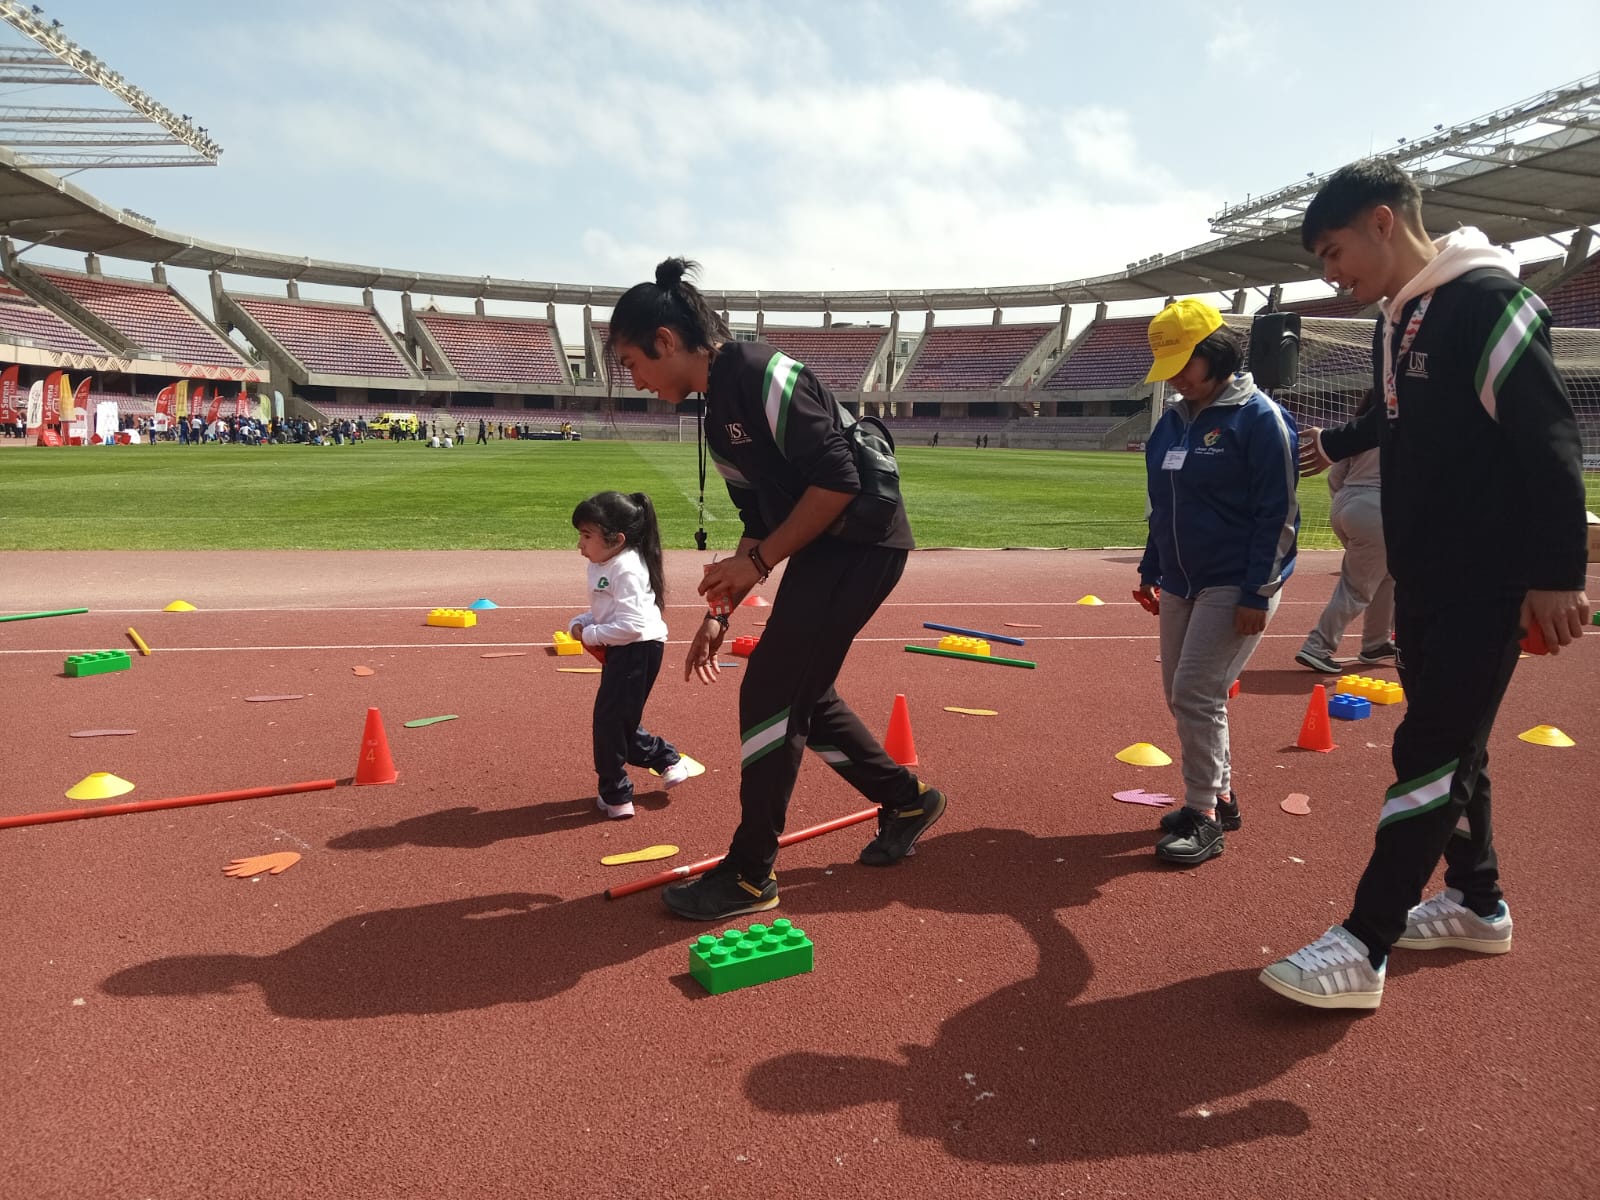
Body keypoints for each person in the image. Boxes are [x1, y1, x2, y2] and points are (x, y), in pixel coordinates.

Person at [1263, 160, 1591, 1011]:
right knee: (1455, 747)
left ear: (1382, 221)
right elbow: (1403, 413)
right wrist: (1338, 442)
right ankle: (1478, 902)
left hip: (1488, 576)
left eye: (1334, 252)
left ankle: (1365, 940)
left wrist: (1558, 575)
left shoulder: (1489, 305)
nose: (1331, 275)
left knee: (1430, 750)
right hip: (1428, 575)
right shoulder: (1400, 319)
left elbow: (1551, 442)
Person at [606, 258, 946, 922]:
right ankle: (906, 799)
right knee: (800, 696)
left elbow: (839, 483)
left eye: (631, 362)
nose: (635, 380)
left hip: (863, 547)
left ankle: (749, 873)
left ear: (666, 342)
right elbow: (758, 522)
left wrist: (757, 564)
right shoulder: (716, 414)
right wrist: (719, 609)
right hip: (828, 549)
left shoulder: (765, 375)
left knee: (771, 693)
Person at [1136, 298, 1300, 866]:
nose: (1179, 380)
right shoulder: (1172, 422)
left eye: (1186, 365)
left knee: (1196, 694)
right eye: (1171, 369)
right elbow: (1164, 505)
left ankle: (1203, 814)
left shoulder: (1260, 418)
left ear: (1216, 355)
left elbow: (1278, 514)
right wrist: (1150, 566)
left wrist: (1259, 590)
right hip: (1180, 578)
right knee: (1183, 696)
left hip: (1236, 580)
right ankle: (1221, 796)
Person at [568, 490, 692, 819]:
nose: (580, 545)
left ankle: (616, 794)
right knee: (618, 721)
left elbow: (632, 626)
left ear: (617, 539)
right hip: (629, 650)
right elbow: (610, 610)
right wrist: (583, 622)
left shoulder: (626, 568)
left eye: (586, 536)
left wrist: (591, 634)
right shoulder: (605, 562)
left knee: (608, 724)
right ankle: (666, 759)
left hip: (637, 650)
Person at [1294, 387, 1395, 674]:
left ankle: (1376, 643)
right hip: (1378, 508)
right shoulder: (1404, 430)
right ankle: (1318, 646)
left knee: (1387, 576)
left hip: (1347, 502)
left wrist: (1346, 505)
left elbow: (1336, 475)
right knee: (1357, 587)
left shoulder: (1357, 431)